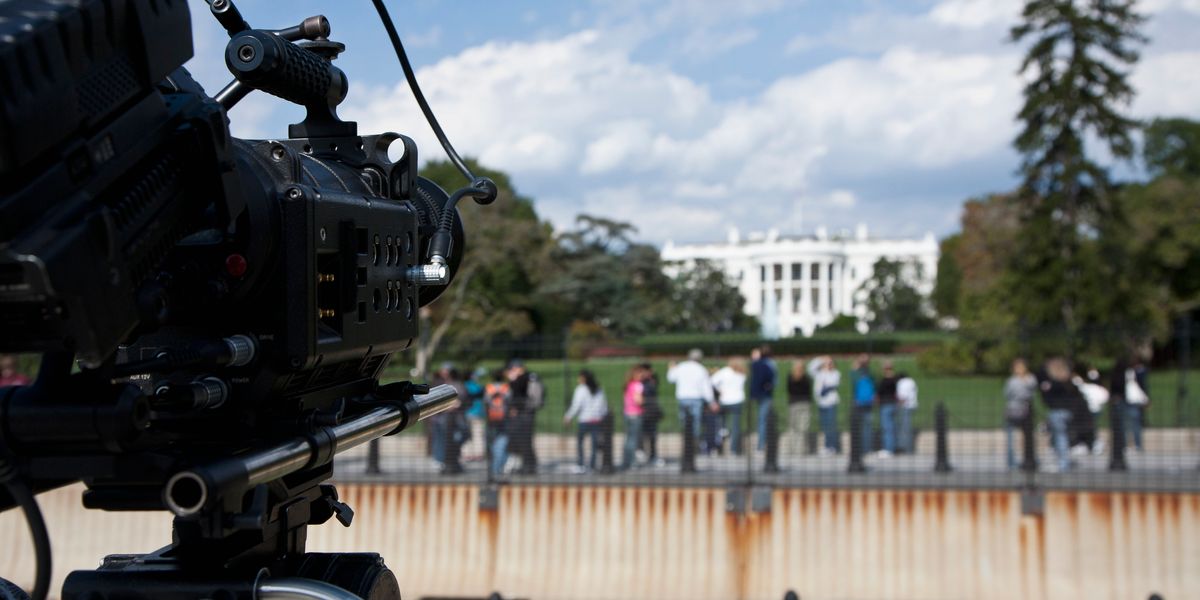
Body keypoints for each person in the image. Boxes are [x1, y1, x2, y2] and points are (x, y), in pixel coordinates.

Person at [667, 349, 713, 455]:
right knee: (695, 424)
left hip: (683, 398)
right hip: (696, 399)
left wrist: (671, 368)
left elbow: (670, 378)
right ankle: (693, 447)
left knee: (685, 422)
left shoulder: (681, 367)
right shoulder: (701, 369)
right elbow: (706, 387)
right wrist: (711, 401)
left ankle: (687, 446)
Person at [1039, 357, 1080, 472]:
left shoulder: (1054, 383)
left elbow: (1047, 398)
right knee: (1059, 436)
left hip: (1057, 412)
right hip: (1068, 411)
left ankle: (1063, 463)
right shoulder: (1069, 382)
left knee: (1060, 437)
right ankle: (1062, 460)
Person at [564, 370, 608, 473]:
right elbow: (603, 406)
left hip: (584, 420)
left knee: (580, 443)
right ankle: (592, 465)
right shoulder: (599, 389)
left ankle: (580, 464)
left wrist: (568, 416)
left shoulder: (580, 389)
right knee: (594, 445)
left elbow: (576, 405)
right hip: (596, 420)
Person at [506, 359, 543, 475]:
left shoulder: (530, 379)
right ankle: (526, 465)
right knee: (521, 441)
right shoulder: (516, 381)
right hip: (520, 415)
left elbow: (534, 399)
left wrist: (520, 407)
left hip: (526, 414)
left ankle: (529, 466)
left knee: (525, 441)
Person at [1003, 359, 1037, 470]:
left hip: (1025, 411)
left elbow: (1030, 392)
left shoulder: (1030, 379)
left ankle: (1029, 459)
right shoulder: (1012, 381)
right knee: (1010, 438)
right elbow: (1007, 393)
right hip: (1012, 409)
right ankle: (1011, 462)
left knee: (1028, 437)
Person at [711, 357, 748, 455]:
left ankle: (720, 447)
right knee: (736, 426)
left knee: (721, 425)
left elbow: (712, 381)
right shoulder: (742, 373)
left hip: (725, 400)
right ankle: (734, 449)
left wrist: (719, 390)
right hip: (737, 400)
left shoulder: (724, 371)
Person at [1114, 356, 1150, 452]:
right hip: (1131, 401)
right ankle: (1137, 445)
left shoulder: (1121, 374)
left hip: (1126, 400)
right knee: (1134, 424)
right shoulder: (1133, 373)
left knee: (1126, 425)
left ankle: (1128, 445)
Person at [809, 355, 842, 454]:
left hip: (830, 402)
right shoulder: (819, 373)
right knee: (824, 425)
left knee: (831, 425)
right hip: (821, 403)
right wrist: (820, 359)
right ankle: (827, 446)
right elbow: (811, 367)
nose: (828, 364)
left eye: (830, 362)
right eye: (827, 362)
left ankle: (832, 446)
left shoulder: (835, 373)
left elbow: (831, 384)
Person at [749, 346, 778, 452]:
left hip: (758, 395)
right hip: (765, 395)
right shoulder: (769, 364)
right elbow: (774, 381)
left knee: (762, 419)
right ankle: (762, 445)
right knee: (764, 420)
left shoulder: (756, 364)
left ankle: (761, 444)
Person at [484, 370, 511, 477]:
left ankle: (493, 468)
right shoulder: (506, 388)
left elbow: (485, 401)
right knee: (502, 443)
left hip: (491, 418)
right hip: (503, 418)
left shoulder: (489, 387)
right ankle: (499, 467)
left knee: (491, 444)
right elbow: (510, 400)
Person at [638, 363, 665, 467]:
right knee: (641, 433)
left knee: (652, 436)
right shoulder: (640, 382)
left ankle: (653, 456)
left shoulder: (652, 381)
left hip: (652, 412)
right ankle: (641, 450)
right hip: (643, 412)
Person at [785, 359, 813, 455]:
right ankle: (800, 450)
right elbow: (809, 392)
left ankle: (792, 449)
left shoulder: (790, 377)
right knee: (803, 429)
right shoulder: (806, 378)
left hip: (793, 404)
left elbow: (789, 390)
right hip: (804, 404)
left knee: (793, 428)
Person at [851, 354, 876, 457]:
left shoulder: (869, 373)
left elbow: (874, 384)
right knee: (858, 427)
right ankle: (860, 449)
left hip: (868, 403)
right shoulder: (857, 373)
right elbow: (853, 378)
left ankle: (867, 448)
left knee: (867, 427)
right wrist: (856, 365)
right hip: (859, 403)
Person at [621, 366, 646, 469]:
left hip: (627, 413)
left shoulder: (628, 385)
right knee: (633, 439)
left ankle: (626, 460)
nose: (642, 375)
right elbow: (638, 400)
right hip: (635, 414)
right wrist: (644, 401)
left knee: (627, 439)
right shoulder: (638, 385)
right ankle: (632, 462)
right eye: (640, 373)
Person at [463, 367, 487, 462]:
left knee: (466, 435)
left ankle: (467, 454)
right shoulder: (477, 387)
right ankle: (478, 454)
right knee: (478, 434)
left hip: (466, 413)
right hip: (477, 413)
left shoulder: (464, 386)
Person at [875, 361, 899, 458]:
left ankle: (888, 449)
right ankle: (891, 448)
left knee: (887, 428)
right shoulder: (895, 379)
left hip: (886, 405)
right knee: (891, 427)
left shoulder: (884, 380)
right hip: (893, 404)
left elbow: (879, 393)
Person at [896, 371, 918, 454]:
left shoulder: (902, 382)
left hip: (905, 406)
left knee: (905, 428)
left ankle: (905, 448)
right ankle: (908, 448)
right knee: (906, 427)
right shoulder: (911, 381)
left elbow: (902, 397)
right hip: (912, 405)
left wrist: (898, 406)